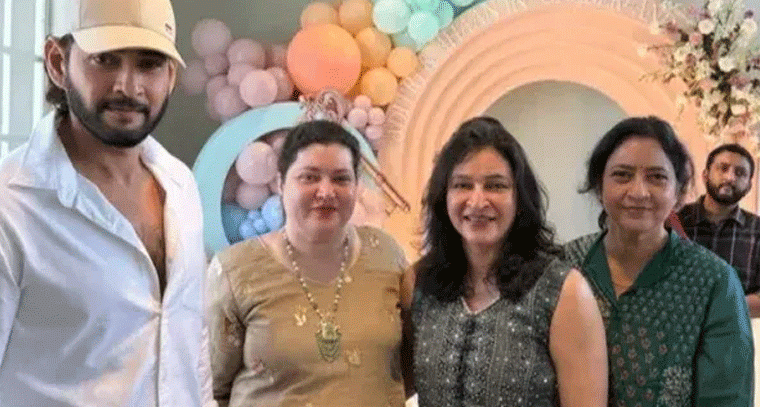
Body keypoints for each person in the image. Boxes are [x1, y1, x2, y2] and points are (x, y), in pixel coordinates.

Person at [0, 0, 215, 405]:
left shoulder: (181, 185)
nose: (128, 87)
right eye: (105, 59)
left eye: (149, 64)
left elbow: (192, 346)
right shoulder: (10, 205)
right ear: (58, 63)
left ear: (170, 76)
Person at [403, 117, 607, 406]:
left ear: (519, 198)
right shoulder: (420, 284)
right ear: (443, 196)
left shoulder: (564, 292)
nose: (477, 201)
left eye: (495, 186)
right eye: (462, 185)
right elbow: (386, 384)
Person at [207, 120, 408, 407]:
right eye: (309, 177)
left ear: (356, 187)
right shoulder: (235, 270)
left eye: (341, 179)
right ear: (280, 183)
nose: (326, 191)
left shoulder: (386, 254)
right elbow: (212, 388)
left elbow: (408, 368)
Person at [563, 116, 754, 406]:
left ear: (679, 193)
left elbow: (727, 398)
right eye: (622, 175)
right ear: (599, 187)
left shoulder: (715, 282)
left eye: (657, 177)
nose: (638, 192)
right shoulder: (563, 267)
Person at [677, 143, 760, 318]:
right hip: (674, 326)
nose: (730, 177)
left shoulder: (757, 230)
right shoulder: (675, 221)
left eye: (740, 173)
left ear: (749, 186)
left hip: (731, 331)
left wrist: (718, 305)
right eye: (723, 168)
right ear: (705, 175)